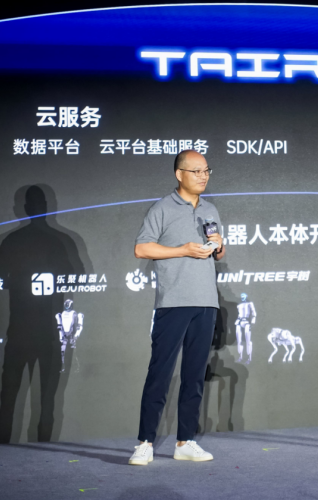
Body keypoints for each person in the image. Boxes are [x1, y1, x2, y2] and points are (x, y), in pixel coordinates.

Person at [129, 150, 225, 465]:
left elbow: (218, 254)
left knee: (194, 375)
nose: (203, 176)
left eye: (206, 170)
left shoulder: (210, 209)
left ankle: (185, 441)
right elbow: (142, 248)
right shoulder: (162, 208)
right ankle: (145, 442)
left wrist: (218, 246)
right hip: (173, 302)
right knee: (160, 373)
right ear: (179, 174)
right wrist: (182, 249)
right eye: (196, 171)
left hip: (206, 301)